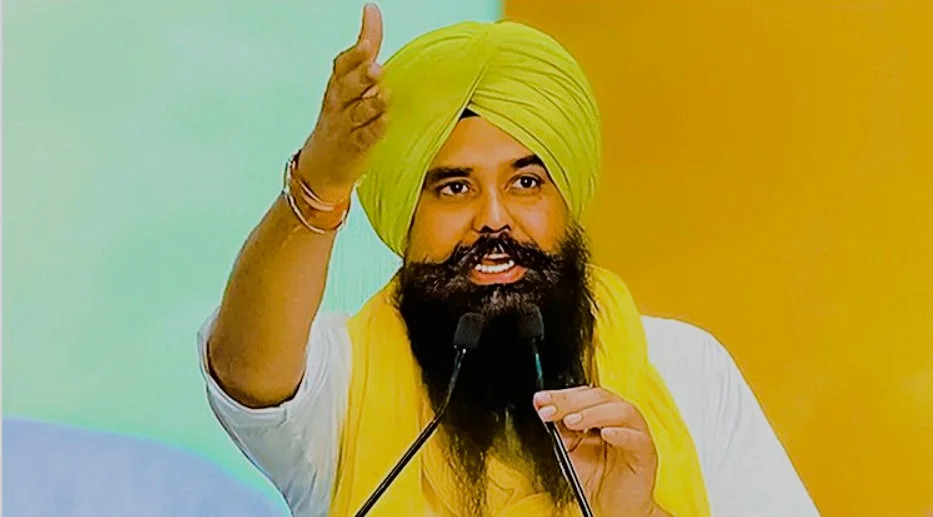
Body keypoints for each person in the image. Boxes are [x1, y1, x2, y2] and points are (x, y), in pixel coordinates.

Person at [198, 4, 819, 516]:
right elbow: (244, 367)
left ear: (565, 203)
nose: (494, 218)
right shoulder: (341, 382)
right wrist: (321, 182)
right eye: (454, 187)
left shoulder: (687, 369)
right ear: (407, 215)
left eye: (526, 183)